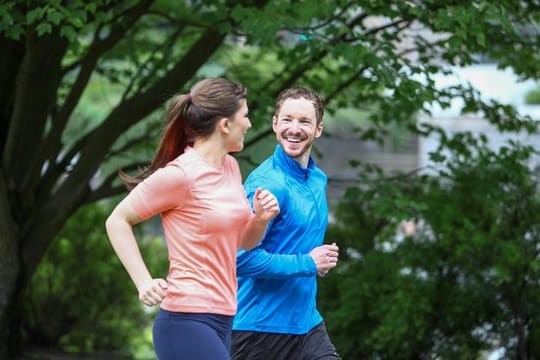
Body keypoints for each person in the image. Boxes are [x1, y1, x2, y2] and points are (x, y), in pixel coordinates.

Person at [105, 78, 280, 360]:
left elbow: (244, 241)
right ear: (225, 125)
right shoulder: (180, 175)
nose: (248, 124)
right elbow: (117, 220)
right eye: (245, 116)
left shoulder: (231, 168)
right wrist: (144, 282)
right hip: (185, 319)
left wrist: (260, 218)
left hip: (223, 317)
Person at [231, 87, 341, 360]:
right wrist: (308, 263)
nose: (294, 129)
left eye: (304, 121)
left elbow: (298, 243)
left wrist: (319, 260)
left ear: (318, 129)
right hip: (259, 329)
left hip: (306, 324)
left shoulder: (318, 180)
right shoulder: (266, 183)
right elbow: (240, 259)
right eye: (287, 119)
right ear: (274, 124)